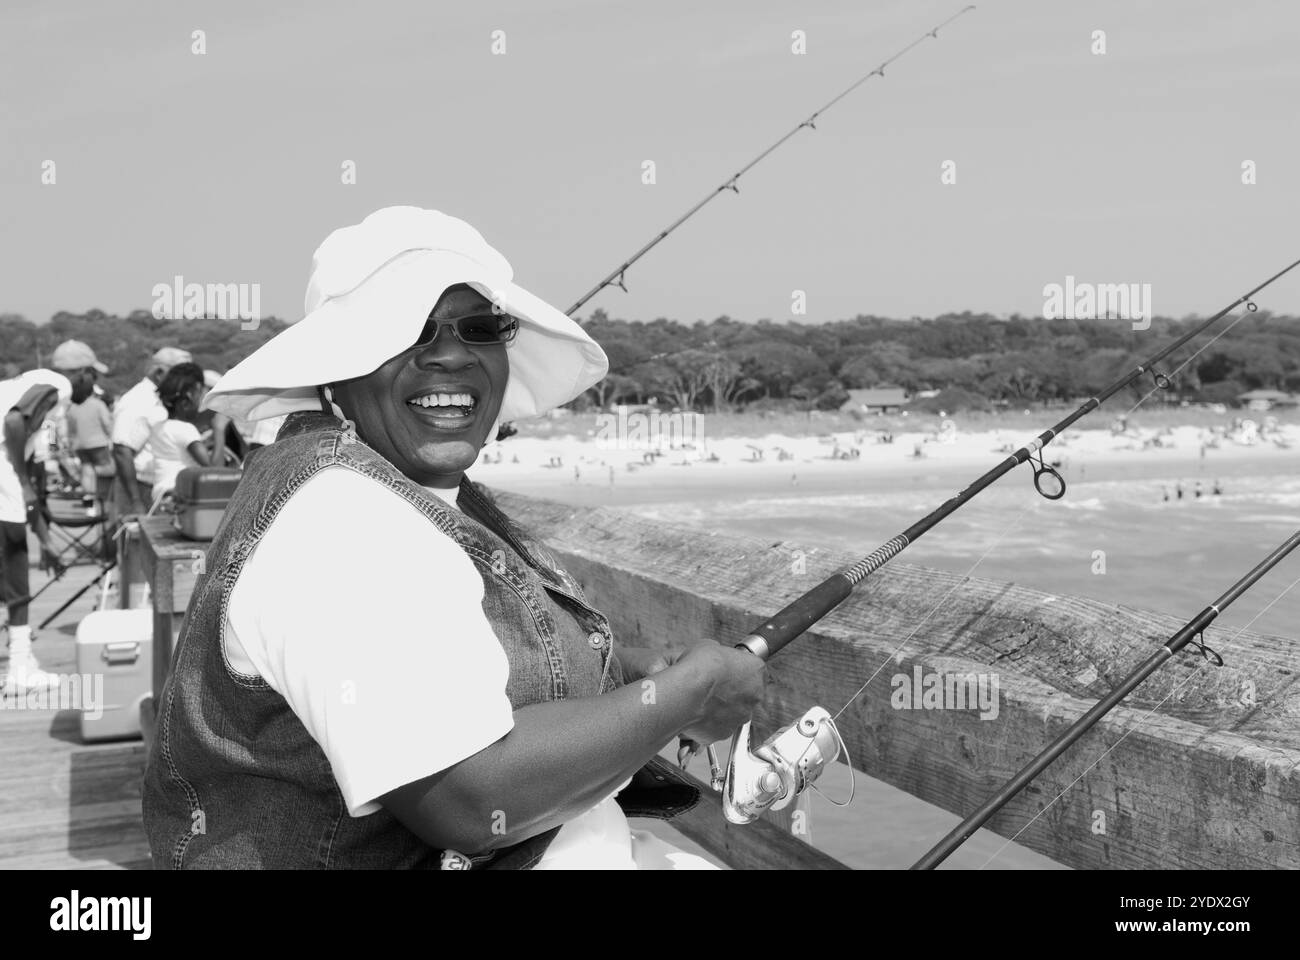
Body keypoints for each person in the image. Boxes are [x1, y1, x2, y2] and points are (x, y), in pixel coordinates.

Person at [142, 206, 763, 870]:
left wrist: (628, 681)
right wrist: (686, 695)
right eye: (404, 328)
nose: (448, 352)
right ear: (334, 369)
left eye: (479, 326)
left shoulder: (399, 483)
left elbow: (458, 670)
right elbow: (469, 800)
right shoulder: (342, 523)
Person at [0, 368, 71, 694]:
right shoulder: (56, 386)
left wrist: (46, 542)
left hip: (10, 472)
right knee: (15, 573)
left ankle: (22, 661)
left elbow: (32, 470)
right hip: (4, 474)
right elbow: (14, 423)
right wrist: (25, 483)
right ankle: (18, 669)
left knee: (9, 572)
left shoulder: (17, 387)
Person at [110, 346, 192, 518]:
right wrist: (136, 502)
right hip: (139, 488)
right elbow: (121, 450)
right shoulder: (139, 400)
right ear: (160, 373)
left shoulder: (159, 399)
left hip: (154, 487)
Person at [53, 340, 114, 501]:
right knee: (104, 469)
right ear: (82, 372)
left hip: (78, 443)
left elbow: (58, 428)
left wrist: (63, 444)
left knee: (87, 469)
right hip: (97, 443)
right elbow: (108, 424)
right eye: (92, 373)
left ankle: (89, 499)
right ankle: (101, 501)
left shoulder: (66, 403)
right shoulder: (94, 401)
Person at [147, 363, 212, 503]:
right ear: (189, 396)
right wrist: (220, 430)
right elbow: (213, 468)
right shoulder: (186, 430)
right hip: (178, 497)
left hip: (160, 497)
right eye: (199, 394)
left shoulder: (158, 427)